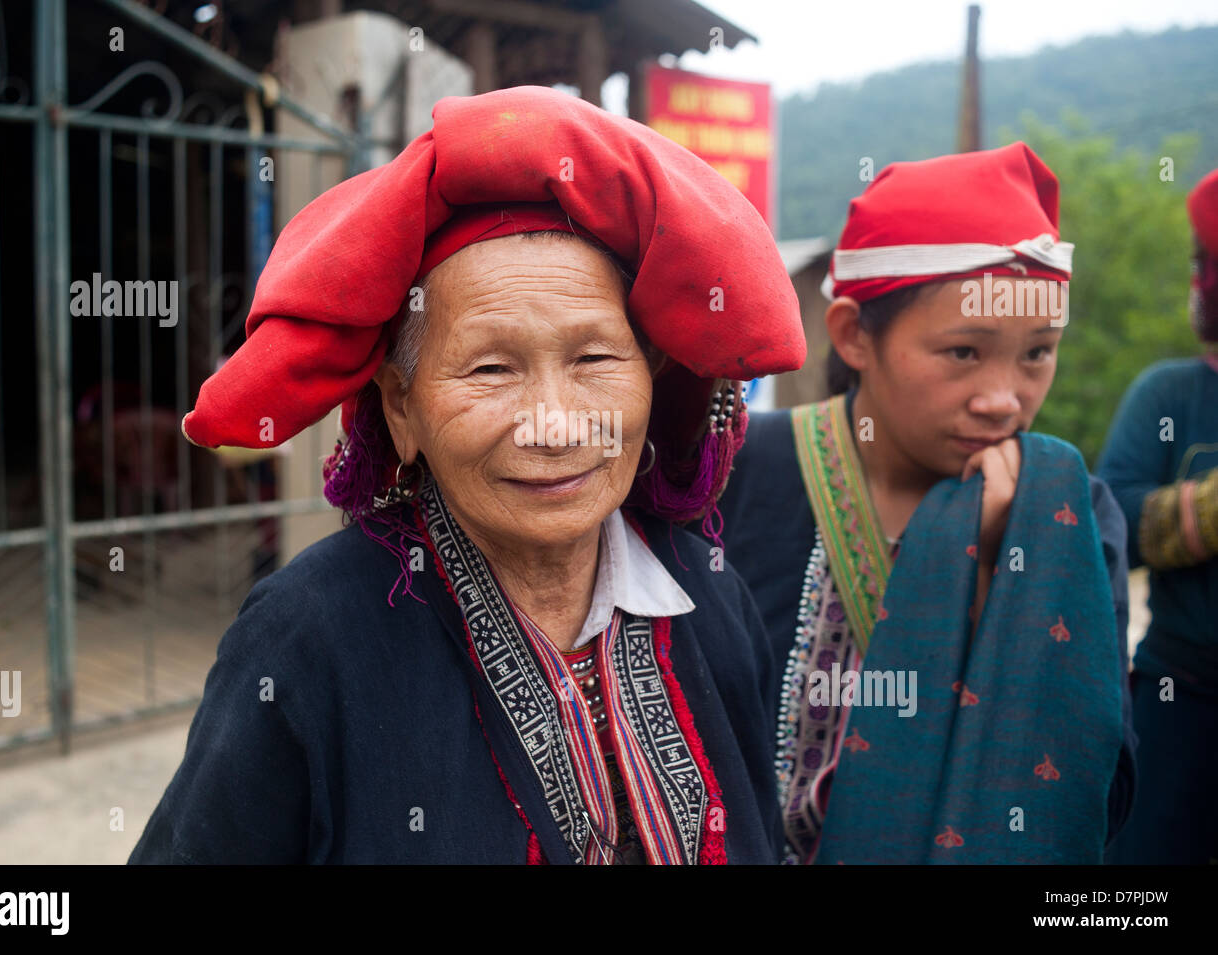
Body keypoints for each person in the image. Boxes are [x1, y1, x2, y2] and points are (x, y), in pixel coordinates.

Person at [128, 85, 807, 865]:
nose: (555, 422)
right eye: (490, 367)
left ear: (651, 375)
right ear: (402, 410)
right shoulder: (307, 639)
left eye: (594, 358)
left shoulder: (708, 592)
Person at [718, 142, 1135, 864]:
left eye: (1038, 352)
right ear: (853, 335)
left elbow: (1102, 784)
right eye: (964, 353)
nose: (1004, 398)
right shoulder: (737, 472)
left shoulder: (1071, 513)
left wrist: (1001, 579)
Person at [1098, 168, 1218, 865]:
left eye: (1205, 264)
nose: (1196, 280)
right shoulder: (1168, 395)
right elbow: (1118, 527)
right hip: (1180, 699)